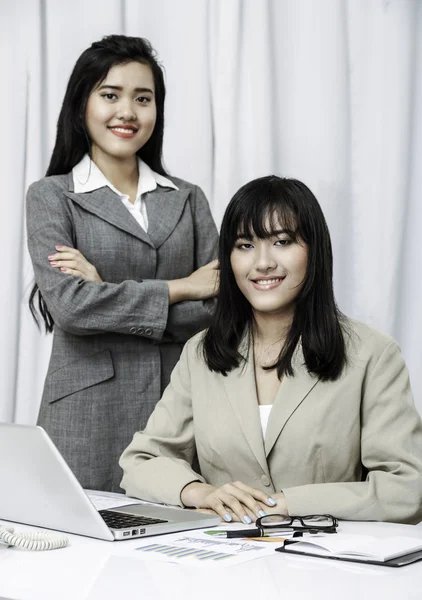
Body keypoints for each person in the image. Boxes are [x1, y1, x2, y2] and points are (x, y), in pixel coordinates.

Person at [119, 175, 422, 525]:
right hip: (223, 565)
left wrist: (287, 503)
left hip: (329, 568)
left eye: (282, 241)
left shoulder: (373, 354)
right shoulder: (200, 353)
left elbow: (407, 489)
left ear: (314, 251)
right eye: (245, 245)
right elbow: (140, 462)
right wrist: (200, 492)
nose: (262, 263)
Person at [26, 35, 219, 492]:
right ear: (81, 105)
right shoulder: (52, 197)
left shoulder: (188, 199)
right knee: (79, 553)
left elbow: (219, 310)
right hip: (86, 416)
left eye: (143, 98)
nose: (127, 112)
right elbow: (72, 307)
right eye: (110, 95)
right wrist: (181, 287)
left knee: (179, 550)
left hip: (179, 409)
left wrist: (104, 290)